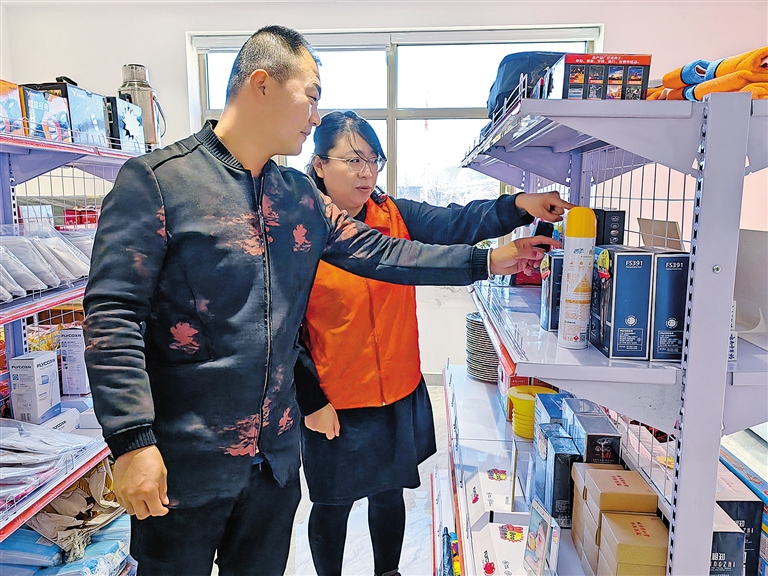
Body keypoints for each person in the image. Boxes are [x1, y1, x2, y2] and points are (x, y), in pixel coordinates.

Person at [82, 25, 557, 576]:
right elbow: (112, 314)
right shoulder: (160, 182)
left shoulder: (296, 196)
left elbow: (384, 253)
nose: (314, 117)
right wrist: (131, 441)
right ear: (262, 84)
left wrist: (488, 261)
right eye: (310, 97)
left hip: (273, 465)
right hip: (184, 461)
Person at [295, 110, 573, 576]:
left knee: (390, 493)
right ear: (319, 165)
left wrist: (521, 205)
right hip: (335, 400)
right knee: (332, 504)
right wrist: (311, 399)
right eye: (353, 160)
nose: (366, 172)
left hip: (396, 389)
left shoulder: (393, 215)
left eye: (374, 160)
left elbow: (456, 222)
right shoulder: (299, 232)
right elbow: (287, 331)